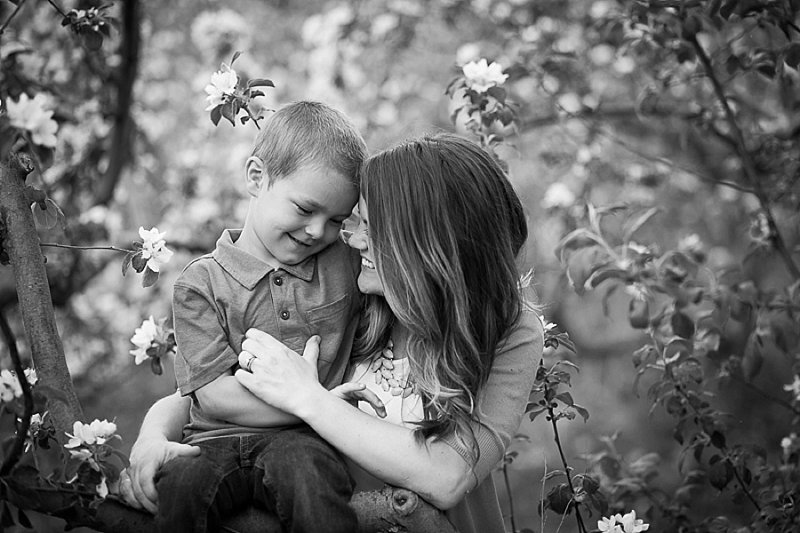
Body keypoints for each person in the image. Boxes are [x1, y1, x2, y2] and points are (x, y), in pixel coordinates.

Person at [121, 133, 544, 533]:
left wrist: (309, 399)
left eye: (370, 227)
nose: (352, 240)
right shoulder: (359, 294)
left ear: (426, 243)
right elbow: (207, 389)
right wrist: (152, 438)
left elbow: (447, 476)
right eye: (355, 222)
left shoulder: (508, 330)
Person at [154, 100, 370, 533]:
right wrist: (318, 405)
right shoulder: (200, 283)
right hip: (212, 439)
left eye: (336, 220)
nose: (317, 231)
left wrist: (316, 417)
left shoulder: (344, 263)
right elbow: (215, 397)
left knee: (314, 486)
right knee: (179, 489)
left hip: (303, 443)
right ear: (257, 177)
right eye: (305, 209)